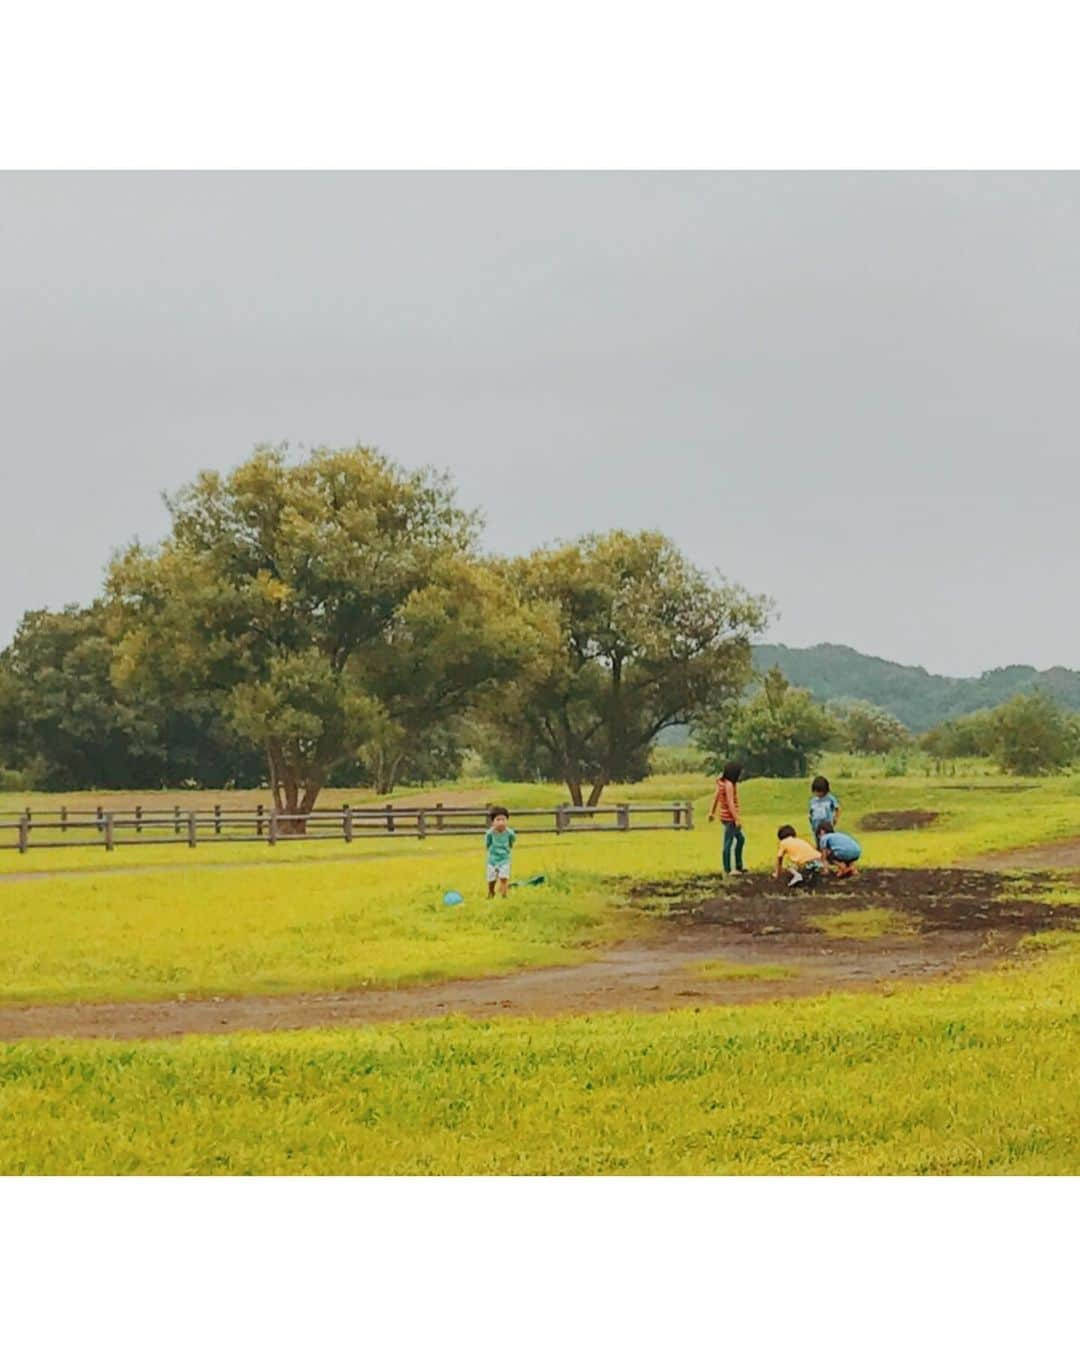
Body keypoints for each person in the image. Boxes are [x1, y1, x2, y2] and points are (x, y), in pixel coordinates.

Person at [708, 761, 746, 875]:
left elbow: (716, 797)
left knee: (740, 839)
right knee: (728, 843)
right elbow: (730, 803)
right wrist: (737, 818)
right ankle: (728, 869)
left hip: (725, 817)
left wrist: (712, 812)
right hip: (730, 818)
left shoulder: (721, 782)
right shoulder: (729, 784)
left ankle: (739, 866)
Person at [485, 806, 516, 898]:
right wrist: (491, 851)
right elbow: (488, 844)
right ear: (492, 822)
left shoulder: (510, 833)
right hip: (493, 859)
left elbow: (511, 842)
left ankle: (504, 895)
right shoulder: (490, 833)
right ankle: (491, 892)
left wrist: (507, 850)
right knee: (491, 879)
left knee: (504, 877)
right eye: (498, 820)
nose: (501, 822)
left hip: (504, 859)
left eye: (503, 820)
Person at [808, 775, 841, 843]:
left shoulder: (830, 799)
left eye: (820, 791)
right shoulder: (813, 800)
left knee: (828, 842)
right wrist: (810, 819)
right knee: (818, 842)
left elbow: (837, 808)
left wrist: (835, 818)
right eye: (816, 791)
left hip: (827, 825)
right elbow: (811, 812)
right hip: (816, 825)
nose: (818, 794)